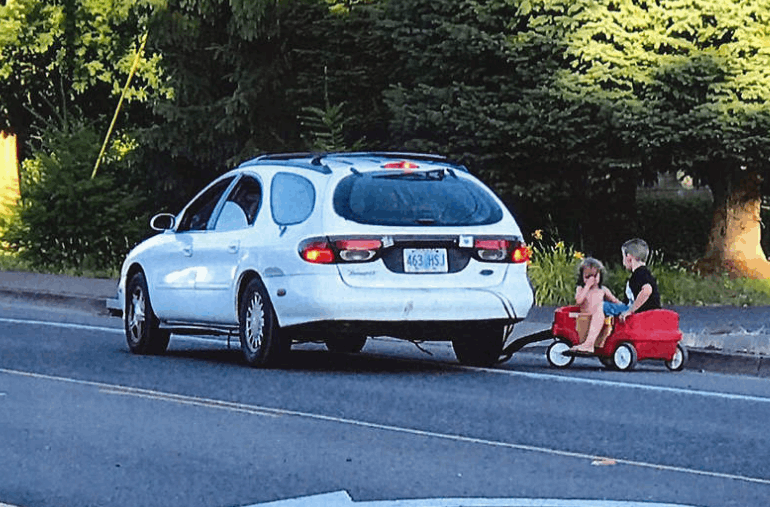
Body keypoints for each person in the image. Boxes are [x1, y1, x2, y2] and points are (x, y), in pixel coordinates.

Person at [570, 238, 661, 353]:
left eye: (623, 257)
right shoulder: (646, 273)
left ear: (629, 257)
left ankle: (589, 343)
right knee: (612, 306)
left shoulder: (639, 274)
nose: (623, 261)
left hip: (638, 311)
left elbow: (647, 291)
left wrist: (631, 310)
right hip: (646, 310)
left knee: (601, 306)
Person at [569, 257, 625, 353]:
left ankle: (590, 344)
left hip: (601, 320)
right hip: (586, 319)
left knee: (606, 309)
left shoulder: (602, 290)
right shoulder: (581, 289)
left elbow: (615, 301)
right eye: (587, 277)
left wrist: (625, 307)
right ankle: (588, 344)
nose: (592, 280)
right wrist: (587, 286)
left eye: (594, 276)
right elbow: (578, 301)